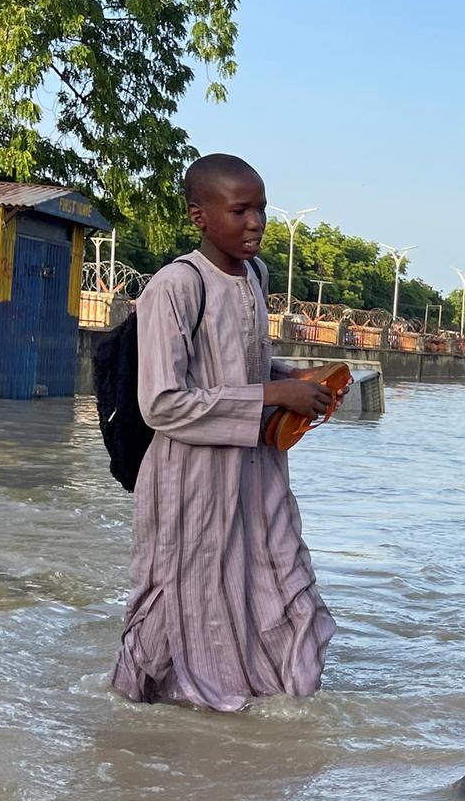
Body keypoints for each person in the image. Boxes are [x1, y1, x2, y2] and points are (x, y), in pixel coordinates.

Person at [111, 153, 342, 711]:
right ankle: (152, 721)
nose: (255, 223)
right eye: (240, 211)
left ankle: (273, 710)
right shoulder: (176, 286)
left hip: (256, 473)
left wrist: (299, 381)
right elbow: (162, 403)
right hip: (190, 479)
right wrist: (273, 395)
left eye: (261, 209)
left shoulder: (257, 276)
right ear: (200, 216)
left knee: (281, 580)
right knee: (184, 598)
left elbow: (245, 368)